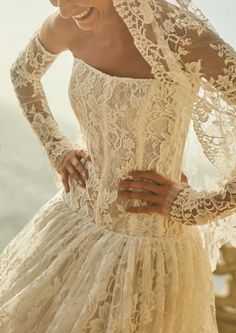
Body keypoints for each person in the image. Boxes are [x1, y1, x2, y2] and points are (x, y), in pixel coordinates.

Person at [0, 0, 236, 332]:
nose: (64, 10)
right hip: (71, 226)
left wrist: (197, 208)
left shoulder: (182, 37)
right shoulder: (68, 22)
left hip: (147, 253)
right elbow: (23, 73)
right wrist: (56, 147)